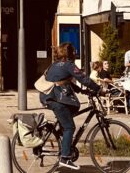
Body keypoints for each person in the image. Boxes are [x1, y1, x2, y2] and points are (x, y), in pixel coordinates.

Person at [39, 43, 102, 171]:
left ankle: (64, 143)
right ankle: (65, 157)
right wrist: (98, 89)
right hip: (56, 99)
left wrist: (83, 91)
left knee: (67, 119)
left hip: (48, 97)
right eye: (73, 51)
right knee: (69, 127)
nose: (75, 53)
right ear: (69, 53)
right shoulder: (68, 65)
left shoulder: (55, 65)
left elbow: (65, 82)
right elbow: (84, 79)